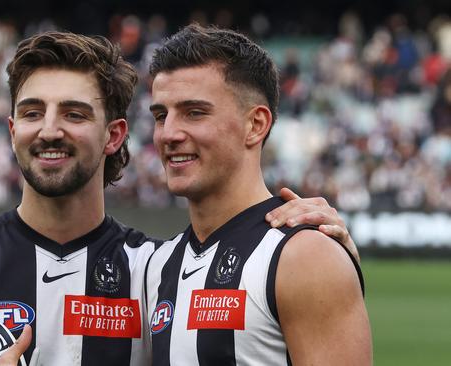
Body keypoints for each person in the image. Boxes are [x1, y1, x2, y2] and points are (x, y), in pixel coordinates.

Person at [0, 30, 360, 366]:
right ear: (11, 130)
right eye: (32, 113)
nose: (49, 129)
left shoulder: (151, 270)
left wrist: (330, 255)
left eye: (74, 114)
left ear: (114, 135)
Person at [143, 24, 372, 365]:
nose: (169, 134)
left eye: (194, 112)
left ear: (256, 125)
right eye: (161, 115)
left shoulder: (304, 258)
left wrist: (328, 259)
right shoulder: (155, 266)